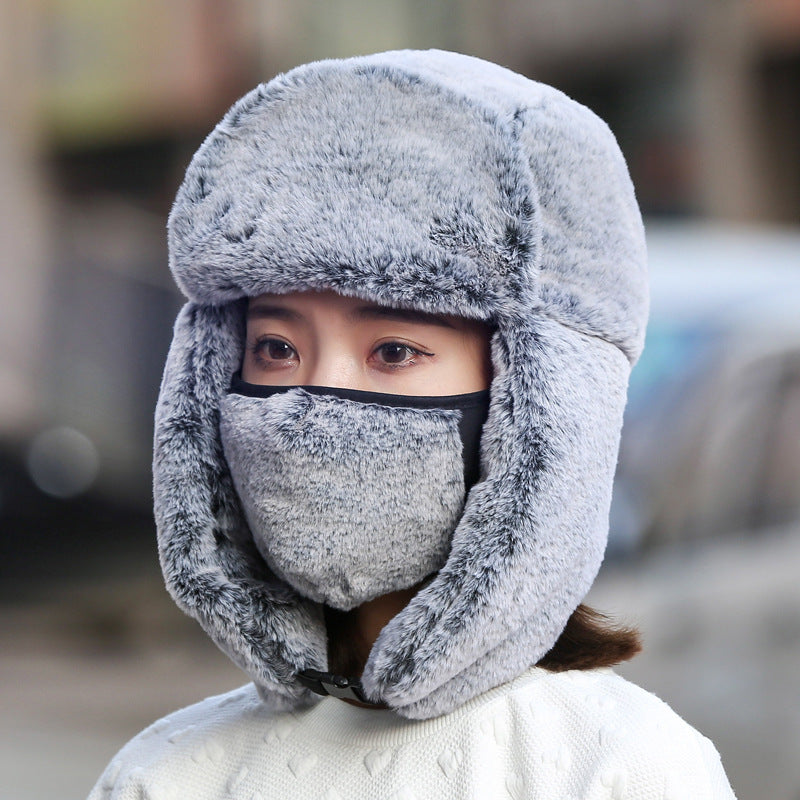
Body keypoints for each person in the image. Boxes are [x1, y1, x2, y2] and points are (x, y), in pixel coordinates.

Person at [88, 50, 736, 798]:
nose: (314, 403)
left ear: (537, 400)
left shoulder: (624, 769)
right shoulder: (162, 775)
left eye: (393, 350)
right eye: (275, 348)